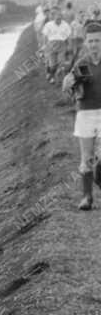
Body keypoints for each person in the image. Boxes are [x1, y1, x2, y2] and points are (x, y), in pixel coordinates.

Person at [63, 22, 101, 210]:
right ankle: (87, 197)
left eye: (97, 41)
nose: (94, 44)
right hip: (85, 113)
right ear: (86, 42)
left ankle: (99, 179)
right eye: (91, 41)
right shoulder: (81, 63)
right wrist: (68, 83)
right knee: (86, 159)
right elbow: (67, 88)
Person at [41, 9, 71, 84]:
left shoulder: (65, 25)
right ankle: (51, 76)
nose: (58, 19)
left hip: (62, 45)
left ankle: (60, 79)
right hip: (51, 45)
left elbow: (68, 36)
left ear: (62, 17)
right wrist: (44, 45)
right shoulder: (49, 25)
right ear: (54, 17)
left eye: (60, 17)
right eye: (57, 18)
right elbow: (44, 35)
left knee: (61, 63)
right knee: (53, 65)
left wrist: (69, 45)